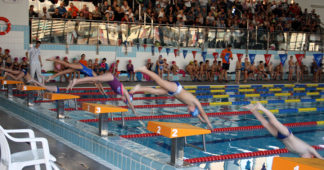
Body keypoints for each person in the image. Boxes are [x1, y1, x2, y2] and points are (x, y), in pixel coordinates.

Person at [130, 66, 213, 130]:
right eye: (190, 111)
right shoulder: (196, 102)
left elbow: (198, 113)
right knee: (160, 81)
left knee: (156, 92)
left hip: (173, 92)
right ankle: (144, 70)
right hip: (176, 88)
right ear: (194, 108)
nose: (188, 110)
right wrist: (209, 124)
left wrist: (202, 120)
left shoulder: (191, 105)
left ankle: (137, 89)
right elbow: (202, 112)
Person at [243, 102, 323, 159]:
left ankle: (252, 109)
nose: (303, 159)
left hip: (280, 137)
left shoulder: (297, 153)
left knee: (265, 124)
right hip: (287, 134)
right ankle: (261, 107)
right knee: (273, 121)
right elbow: (320, 157)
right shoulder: (309, 150)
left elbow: (288, 147)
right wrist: (320, 158)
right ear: (312, 156)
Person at [66, 72, 138, 116]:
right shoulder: (125, 92)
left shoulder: (121, 93)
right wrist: (134, 112)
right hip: (111, 77)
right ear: (127, 98)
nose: (122, 100)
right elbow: (130, 104)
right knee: (93, 79)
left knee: (92, 81)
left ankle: (74, 81)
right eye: (124, 101)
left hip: (109, 79)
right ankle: (76, 80)